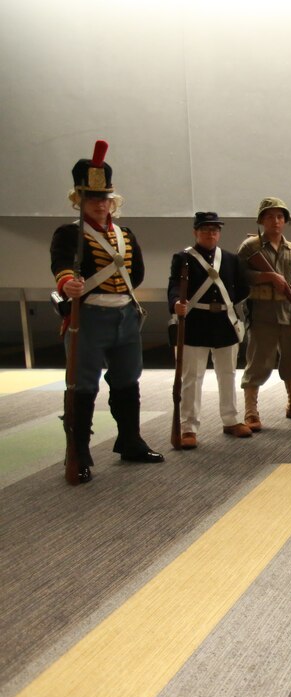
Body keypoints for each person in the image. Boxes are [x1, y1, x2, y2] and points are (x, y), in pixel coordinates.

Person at [50, 143, 164, 483]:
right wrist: (69, 283)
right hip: (88, 319)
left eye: (105, 199)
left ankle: (130, 441)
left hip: (126, 316)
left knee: (128, 381)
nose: (100, 204)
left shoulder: (124, 235)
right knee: (82, 387)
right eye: (93, 199)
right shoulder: (70, 234)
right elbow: (61, 266)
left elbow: (138, 273)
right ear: (80, 201)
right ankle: (78, 453)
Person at [168, 212, 251, 449]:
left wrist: (227, 302)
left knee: (227, 374)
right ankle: (188, 427)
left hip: (224, 322)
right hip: (195, 322)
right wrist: (176, 303)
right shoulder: (183, 258)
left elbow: (242, 288)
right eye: (205, 230)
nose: (211, 234)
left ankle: (231, 420)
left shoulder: (231, 259)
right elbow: (175, 284)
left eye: (215, 230)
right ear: (196, 232)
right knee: (192, 377)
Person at [238, 197, 291, 428]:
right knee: (258, 363)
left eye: (280, 217)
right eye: (271, 216)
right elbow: (241, 276)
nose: (276, 221)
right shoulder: (250, 248)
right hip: (263, 313)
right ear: (262, 220)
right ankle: (251, 412)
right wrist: (267, 276)